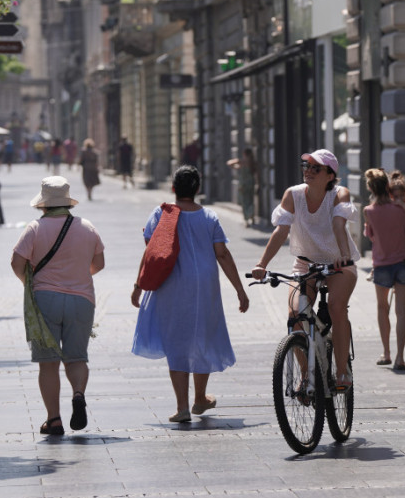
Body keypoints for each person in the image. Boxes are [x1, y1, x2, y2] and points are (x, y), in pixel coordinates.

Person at [131, 165, 249, 422]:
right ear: (198, 188)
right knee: (202, 336)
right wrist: (240, 289)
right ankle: (200, 397)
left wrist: (138, 286)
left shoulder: (161, 214)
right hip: (205, 285)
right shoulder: (209, 217)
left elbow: (151, 251)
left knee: (176, 341)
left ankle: (182, 406)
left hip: (172, 284)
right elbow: (222, 254)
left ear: (173, 188)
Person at [250, 149, 359, 390]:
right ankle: (306, 376)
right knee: (295, 317)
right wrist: (262, 265)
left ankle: (342, 372)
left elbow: (339, 224)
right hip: (304, 263)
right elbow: (281, 231)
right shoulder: (293, 194)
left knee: (336, 308)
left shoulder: (340, 194)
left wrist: (343, 255)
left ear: (330, 175)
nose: (308, 171)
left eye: (315, 168)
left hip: (339, 263)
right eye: (306, 166)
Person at [10, 176, 106, 435]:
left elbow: (16, 263)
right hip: (82, 300)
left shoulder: (34, 229)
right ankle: (78, 394)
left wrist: (29, 282)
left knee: (48, 363)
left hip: (45, 300)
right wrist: (76, 276)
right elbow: (99, 264)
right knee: (77, 358)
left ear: (43, 204)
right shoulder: (87, 227)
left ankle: (54, 420)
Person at [363, 168, 405, 370]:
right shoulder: (403, 208)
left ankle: (386, 353)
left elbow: (371, 236)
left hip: (381, 264)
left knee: (382, 307)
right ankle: (400, 357)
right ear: (388, 187)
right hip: (403, 262)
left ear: (370, 188)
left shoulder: (368, 211)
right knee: (401, 312)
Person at [226, 147, 258, 226]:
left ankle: (247, 220)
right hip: (251, 183)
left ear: (244, 154)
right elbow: (257, 175)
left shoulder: (242, 161)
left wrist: (236, 162)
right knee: (250, 200)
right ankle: (252, 216)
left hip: (243, 184)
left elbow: (229, 163)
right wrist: (258, 184)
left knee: (244, 201)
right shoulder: (253, 162)